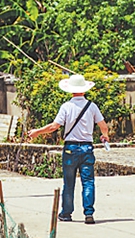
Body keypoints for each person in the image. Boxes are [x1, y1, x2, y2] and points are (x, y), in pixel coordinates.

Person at [28, 74, 110, 224]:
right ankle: (89, 213)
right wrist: (104, 136)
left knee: (69, 182)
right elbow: (103, 126)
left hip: (70, 148)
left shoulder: (66, 106)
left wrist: (37, 132)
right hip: (87, 148)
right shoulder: (92, 106)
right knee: (88, 182)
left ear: (70, 90)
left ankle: (66, 213)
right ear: (84, 90)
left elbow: (54, 126)